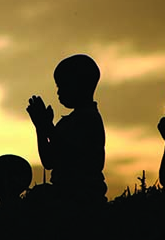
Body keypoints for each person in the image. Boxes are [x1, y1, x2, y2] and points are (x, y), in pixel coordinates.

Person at [27, 54, 107, 205]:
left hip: (84, 194)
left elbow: (71, 153)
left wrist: (48, 127)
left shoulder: (90, 119)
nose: (58, 92)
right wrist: (40, 128)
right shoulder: (65, 123)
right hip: (63, 189)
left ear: (79, 85)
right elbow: (49, 161)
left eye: (62, 86)